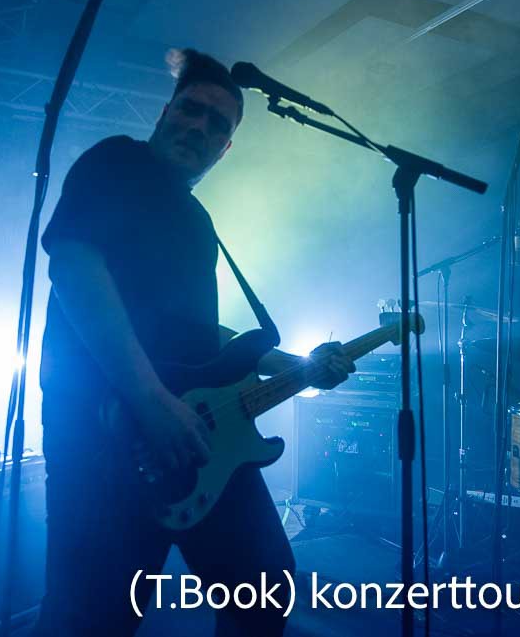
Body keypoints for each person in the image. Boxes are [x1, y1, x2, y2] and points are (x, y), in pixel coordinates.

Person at [32, 48, 354, 637]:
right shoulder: (116, 163)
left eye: (217, 124)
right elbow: (74, 268)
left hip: (194, 435)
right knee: (91, 618)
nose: (199, 127)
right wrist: (152, 401)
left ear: (225, 149)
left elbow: (203, 341)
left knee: (264, 584)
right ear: (164, 114)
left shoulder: (199, 222)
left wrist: (296, 365)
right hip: (104, 438)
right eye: (191, 109)